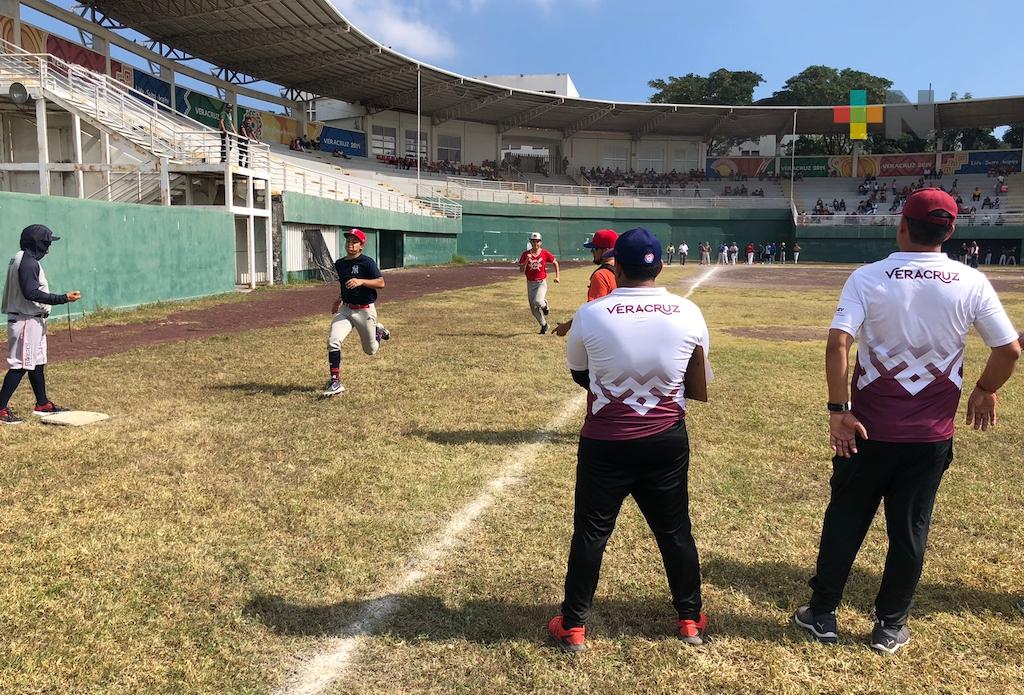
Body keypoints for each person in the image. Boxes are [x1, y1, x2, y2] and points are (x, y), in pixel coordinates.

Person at [792, 189, 1020, 654]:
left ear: (902, 224)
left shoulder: (868, 277)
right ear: (951, 231)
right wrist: (985, 389)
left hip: (864, 431)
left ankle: (822, 613)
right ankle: (890, 625)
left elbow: (840, 344)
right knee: (910, 529)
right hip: (930, 435)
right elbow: (1010, 349)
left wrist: (839, 413)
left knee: (846, 519)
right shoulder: (971, 282)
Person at [548, 228, 711, 653]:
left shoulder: (591, 314)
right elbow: (697, 375)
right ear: (660, 265)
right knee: (675, 530)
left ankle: (574, 625)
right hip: (666, 439)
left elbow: (580, 374)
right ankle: (690, 618)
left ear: (616, 265)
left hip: (606, 440)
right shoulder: (689, 311)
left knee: (590, 532)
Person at [0, 225, 82, 424]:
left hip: (31, 319)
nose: (48, 248)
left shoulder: (21, 258)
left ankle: (42, 404)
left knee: (36, 362)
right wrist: (63, 298)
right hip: (25, 320)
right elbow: (31, 293)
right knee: (20, 364)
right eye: (46, 243)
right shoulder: (28, 263)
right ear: (37, 243)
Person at [322, 229, 391, 396]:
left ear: (361, 246)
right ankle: (335, 382)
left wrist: (361, 281)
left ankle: (378, 332)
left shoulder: (367, 262)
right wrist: (338, 300)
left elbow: (381, 283)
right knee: (333, 340)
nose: (350, 244)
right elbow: (344, 286)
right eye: (348, 241)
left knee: (371, 350)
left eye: (354, 241)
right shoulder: (340, 264)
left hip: (365, 310)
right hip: (346, 309)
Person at [553, 229, 618, 337]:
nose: (591, 251)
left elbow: (593, 312)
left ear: (606, 250)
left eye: (594, 248)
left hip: (605, 334)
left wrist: (566, 327)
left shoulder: (601, 275)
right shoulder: (625, 272)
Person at [518, 232, 560, 334]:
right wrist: (527, 259)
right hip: (530, 283)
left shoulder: (544, 253)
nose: (535, 243)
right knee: (533, 309)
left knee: (538, 301)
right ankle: (544, 325)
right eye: (533, 241)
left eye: (537, 241)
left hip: (541, 282)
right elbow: (521, 270)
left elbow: (555, 262)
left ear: (540, 242)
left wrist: (557, 276)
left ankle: (545, 305)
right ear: (530, 242)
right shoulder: (525, 254)